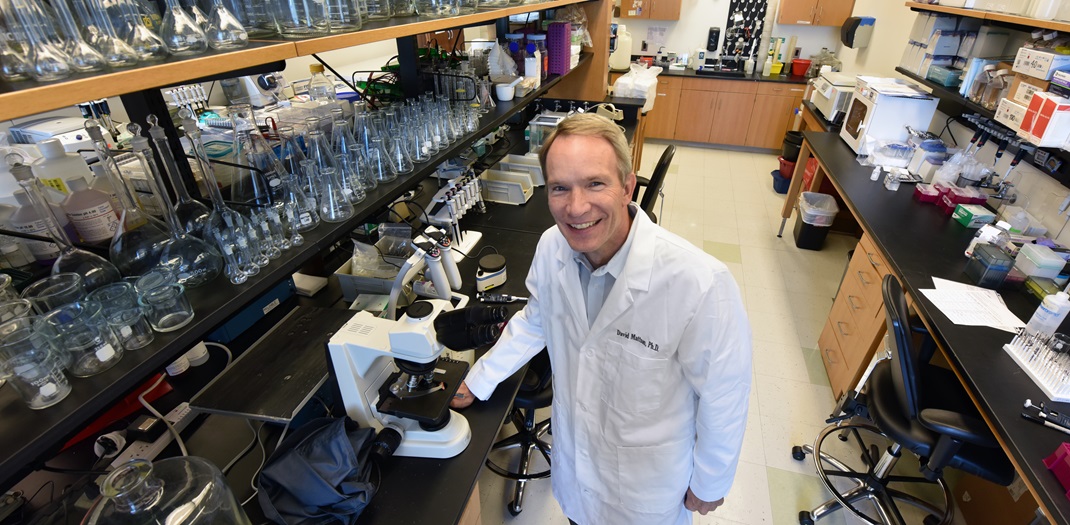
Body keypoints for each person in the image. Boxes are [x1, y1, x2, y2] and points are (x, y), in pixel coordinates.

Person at [451, 113, 752, 525]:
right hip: (577, 471)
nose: (576, 208)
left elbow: (725, 393)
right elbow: (535, 321)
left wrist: (711, 480)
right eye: (560, 188)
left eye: (595, 183)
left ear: (628, 187)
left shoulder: (698, 283)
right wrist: (479, 378)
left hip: (645, 491)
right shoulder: (551, 247)